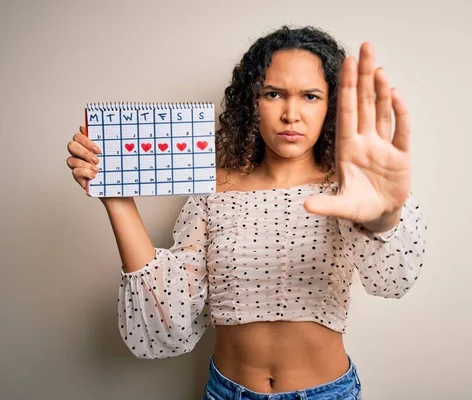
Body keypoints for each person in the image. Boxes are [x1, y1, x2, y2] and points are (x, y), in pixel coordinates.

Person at [66, 25, 427, 400]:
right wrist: (115, 194)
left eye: (310, 96)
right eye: (274, 94)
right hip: (227, 392)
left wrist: (384, 219)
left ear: (331, 105)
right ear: (252, 102)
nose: (291, 114)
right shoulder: (214, 190)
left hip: (327, 393)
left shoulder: (351, 192)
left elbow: (393, 281)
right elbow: (168, 321)